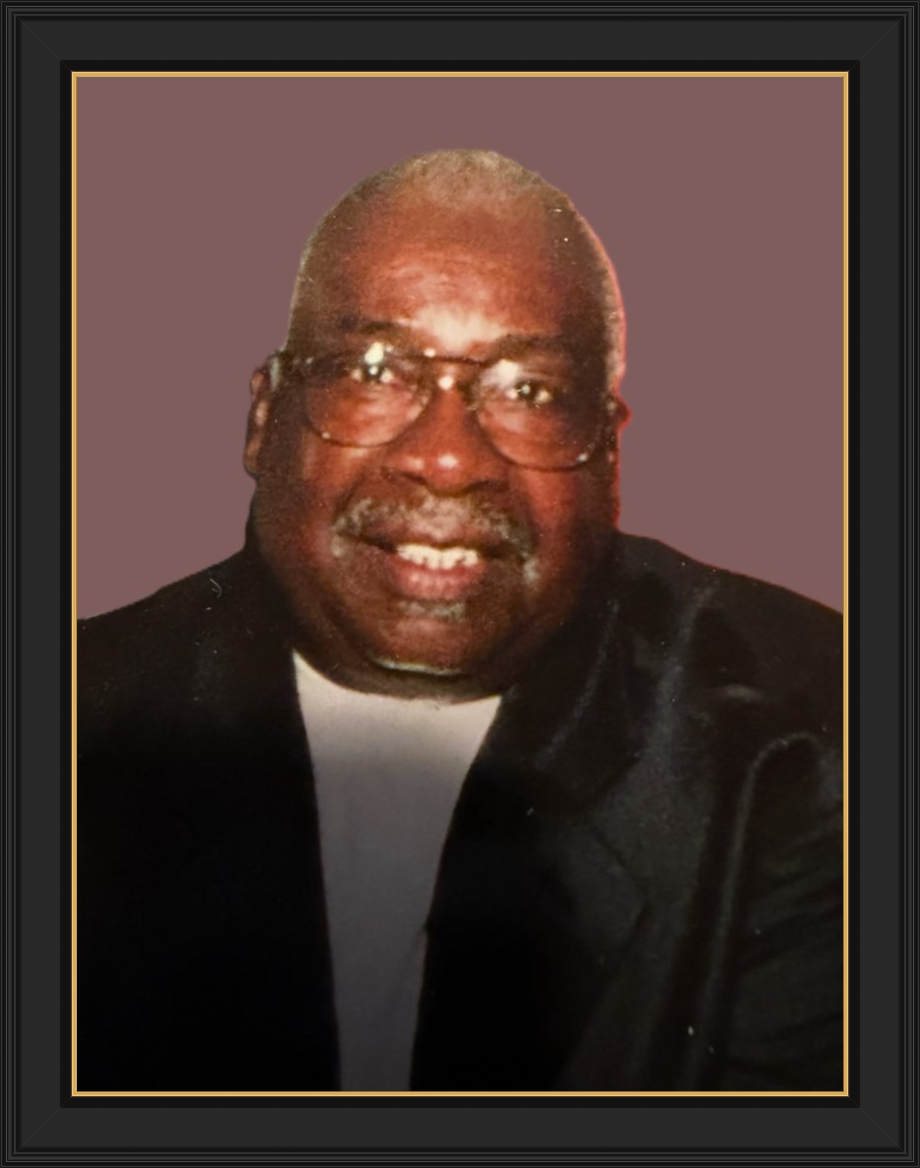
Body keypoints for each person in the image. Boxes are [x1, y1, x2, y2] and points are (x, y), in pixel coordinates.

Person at [77, 150, 843, 1093]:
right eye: (375, 370)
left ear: (608, 455)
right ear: (265, 418)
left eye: (529, 392)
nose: (448, 459)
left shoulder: (808, 746)